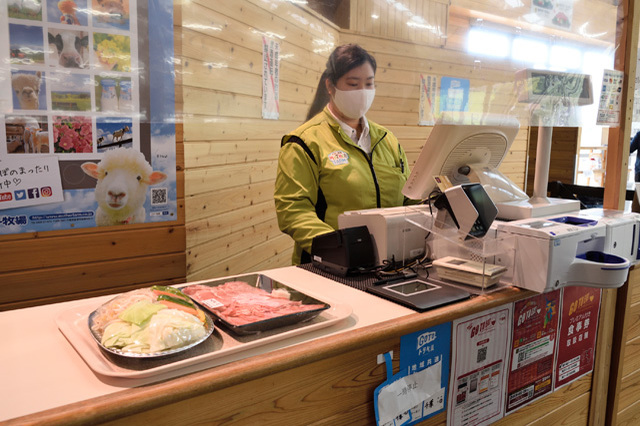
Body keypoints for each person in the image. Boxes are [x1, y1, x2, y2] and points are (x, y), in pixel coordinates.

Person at [274, 44, 414, 265]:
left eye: (369, 84)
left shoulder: (387, 140)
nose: (362, 91)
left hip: (389, 263)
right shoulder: (304, 141)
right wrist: (340, 246)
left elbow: (408, 196)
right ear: (330, 86)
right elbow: (293, 210)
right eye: (353, 84)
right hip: (329, 264)